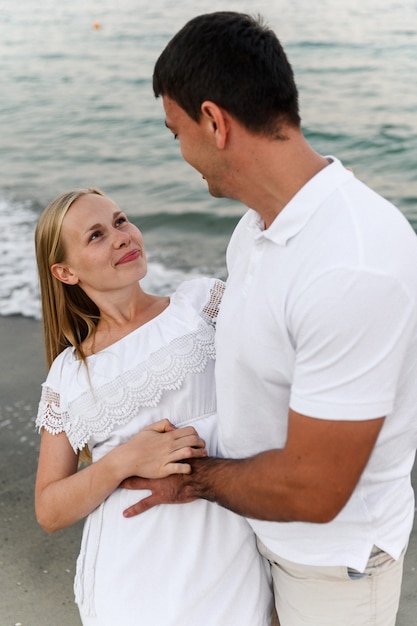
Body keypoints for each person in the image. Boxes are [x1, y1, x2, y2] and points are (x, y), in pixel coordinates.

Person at [121, 11, 417, 626]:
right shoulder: (256, 228)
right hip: (259, 536)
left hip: (333, 566)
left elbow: (315, 489)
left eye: (175, 131)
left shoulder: (350, 265)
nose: (180, 153)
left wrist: (194, 478)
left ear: (213, 122)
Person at [34, 187, 274, 625]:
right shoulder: (69, 373)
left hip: (226, 552)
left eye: (121, 221)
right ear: (65, 272)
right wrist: (123, 460)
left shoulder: (201, 304)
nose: (121, 237)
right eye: (96, 235)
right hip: (129, 575)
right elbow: (49, 510)